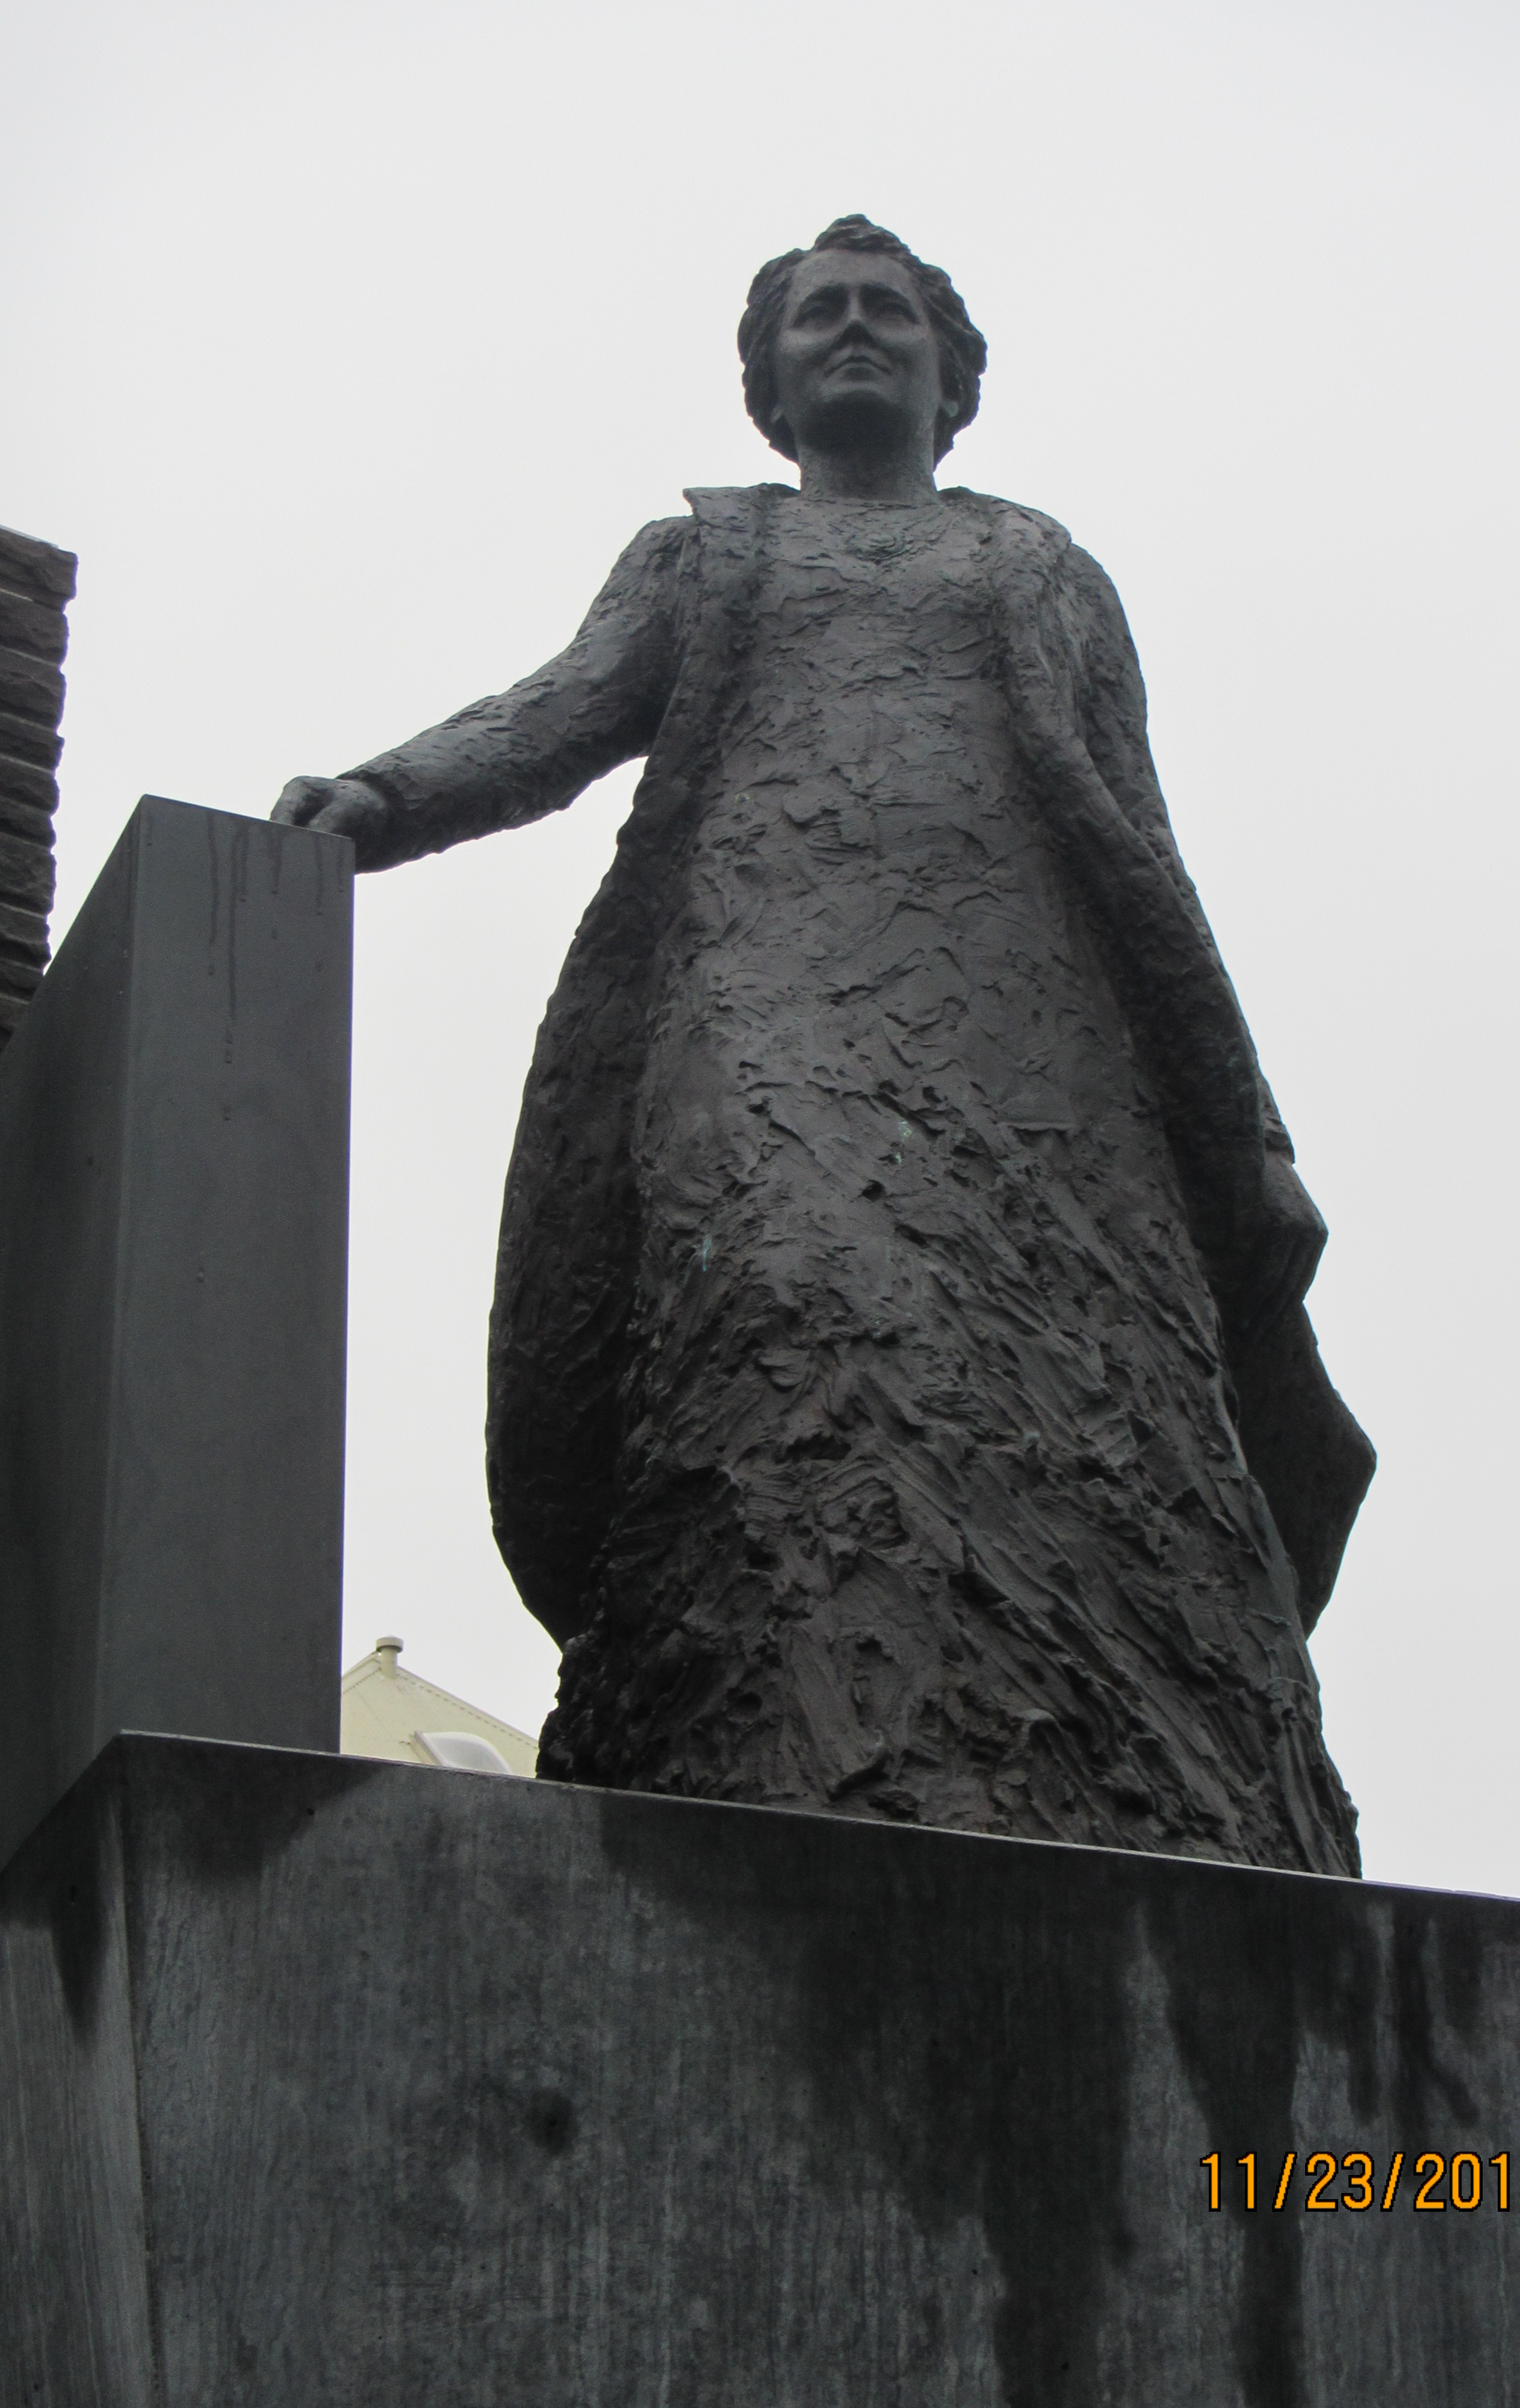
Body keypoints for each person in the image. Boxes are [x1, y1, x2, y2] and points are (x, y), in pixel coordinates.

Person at [275, 216, 1372, 1873]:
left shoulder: (1046, 569)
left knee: (1090, 1390)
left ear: (951, 378)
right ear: (772, 387)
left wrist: (1249, 1132)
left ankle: (1143, 1800)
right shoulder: (704, 556)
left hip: (1046, 1054)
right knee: (793, 1299)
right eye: (817, 317)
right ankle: (784, 1763)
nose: (853, 330)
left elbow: (1145, 848)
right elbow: (554, 714)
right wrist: (384, 794)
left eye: (888, 313)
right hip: (760, 1014)